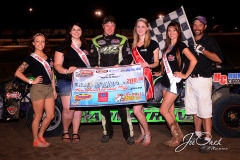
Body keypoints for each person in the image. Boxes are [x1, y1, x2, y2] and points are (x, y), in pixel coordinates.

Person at [89, 15, 134, 145]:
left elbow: (128, 56)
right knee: (104, 108)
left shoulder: (122, 39)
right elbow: (92, 58)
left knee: (123, 108)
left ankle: (129, 135)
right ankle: (107, 133)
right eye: (107, 25)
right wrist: (94, 67)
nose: (110, 28)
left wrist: (121, 64)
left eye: (112, 25)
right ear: (103, 26)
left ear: (115, 27)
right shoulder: (96, 40)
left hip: (119, 78)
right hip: (102, 80)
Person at [185, 16, 224, 153]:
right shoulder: (189, 41)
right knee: (195, 110)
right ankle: (197, 134)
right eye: (194, 25)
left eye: (200, 25)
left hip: (203, 79)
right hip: (189, 79)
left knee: (205, 111)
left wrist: (202, 50)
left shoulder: (209, 40)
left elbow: (219, 59)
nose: (196, 27)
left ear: (205, 27)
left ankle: (208, 139)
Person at [15, 33, 57, 147]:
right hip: (38, 89)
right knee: (38, 116)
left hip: (49, 89)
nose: (40, 44)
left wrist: (54, 89)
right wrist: (31, 81)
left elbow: (52, 73)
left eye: (42, 41)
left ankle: (40, 135)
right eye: (37, 41)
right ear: (33, 43)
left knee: (50, 115)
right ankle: (35, 140)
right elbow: (18, 72)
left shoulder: (49, 56)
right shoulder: (31, 57)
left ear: (45, 43)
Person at [159, 21, 197, 147]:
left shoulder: (181, 45)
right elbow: (167, 64)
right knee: (169, 110)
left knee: (163, 110)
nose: (171, 33)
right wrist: (159, 72)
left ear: (178, 32)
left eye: (174, 30)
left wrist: (185, 75)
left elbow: (193, 60)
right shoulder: (167, 46)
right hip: (165, 82)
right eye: (169, 30)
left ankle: (178, 136)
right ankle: (176, 136)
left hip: (175, 83)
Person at [54, 22, 90, 143]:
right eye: (73, 29)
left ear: (81, 31)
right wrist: (66, 71)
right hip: (66, 79)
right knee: (68, 109)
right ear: (69, 32)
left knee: (78, 108)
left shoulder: (87, 46)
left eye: (78, 29)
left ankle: (75, 132)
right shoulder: (63, 46)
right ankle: (65, 131)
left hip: (82, 81)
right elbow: (57, 65)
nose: (76, 31)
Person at [131, 18, 159, 146]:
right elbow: (133, 62)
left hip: (146, 78)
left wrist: (148, 64)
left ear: (147, 28)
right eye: (138, 27)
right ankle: (142, 133)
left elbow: (156, 63)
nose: (140, 29)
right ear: (136, 29)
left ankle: (148, 133)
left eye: (143, 26)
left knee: (136, 110)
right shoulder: (134, 44)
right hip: (135, 79)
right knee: (140, 110)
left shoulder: (153, 44)